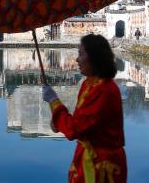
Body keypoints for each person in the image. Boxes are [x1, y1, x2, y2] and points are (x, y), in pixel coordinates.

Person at [42, 34, 127, 183]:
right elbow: (81, 121)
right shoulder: (89, 84)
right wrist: (59, 122)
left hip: (102, 166)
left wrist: (54, 101)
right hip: (88, 158)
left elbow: (75, 129)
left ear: (94, 57)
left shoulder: (103, 90)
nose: (77, 59)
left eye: (81, 54)